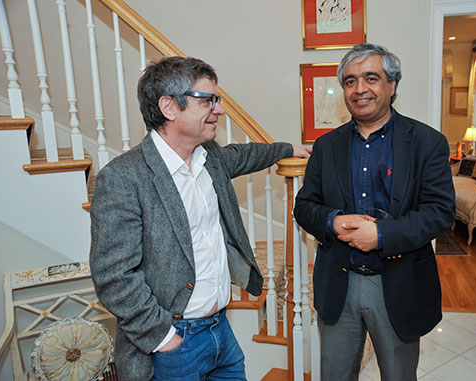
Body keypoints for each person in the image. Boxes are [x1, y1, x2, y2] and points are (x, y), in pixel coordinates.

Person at [89, 56, 310, 380]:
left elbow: (246, 155)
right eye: (207, 100)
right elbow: (114, 276)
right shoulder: (124, 178)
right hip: (174, 345)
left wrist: (287, 148)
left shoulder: (211, 158)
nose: (218, 109)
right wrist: (166, 339)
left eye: (216, 100)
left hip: (221, 331)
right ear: (169, 107)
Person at [294, 43, 455, 381]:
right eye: (350, 81)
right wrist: (332, 220)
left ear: (392, 85)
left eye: (371, 78)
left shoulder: (427, 142)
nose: (360, 89)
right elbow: (304, 206)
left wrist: (382, 235)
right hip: (339, 284)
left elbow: (440, 212)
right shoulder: (326, 146)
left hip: (399, 285)